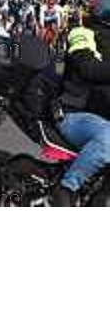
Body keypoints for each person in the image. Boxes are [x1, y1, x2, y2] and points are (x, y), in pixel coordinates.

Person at [53, 17, 110, 206]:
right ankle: (67, 187)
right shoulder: (82, 32)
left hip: (100, 118)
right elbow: (88, 69)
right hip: (72, 113)